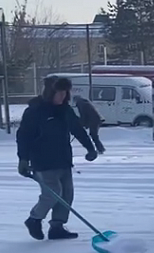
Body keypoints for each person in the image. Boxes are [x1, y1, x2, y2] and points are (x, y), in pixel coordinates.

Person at [16, 77, 98, 240]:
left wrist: (90, 148)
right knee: (53, 194)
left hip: (63, 159)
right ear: (49, 93)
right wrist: (23, 159)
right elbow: (23, 136)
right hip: (43, 161)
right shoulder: (35, 111)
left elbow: (77, 129)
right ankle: (34, 219)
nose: (62, 96)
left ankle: (57, 227)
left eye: (64, 93)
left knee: (67, 195)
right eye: (59, 93)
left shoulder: (65, 110)